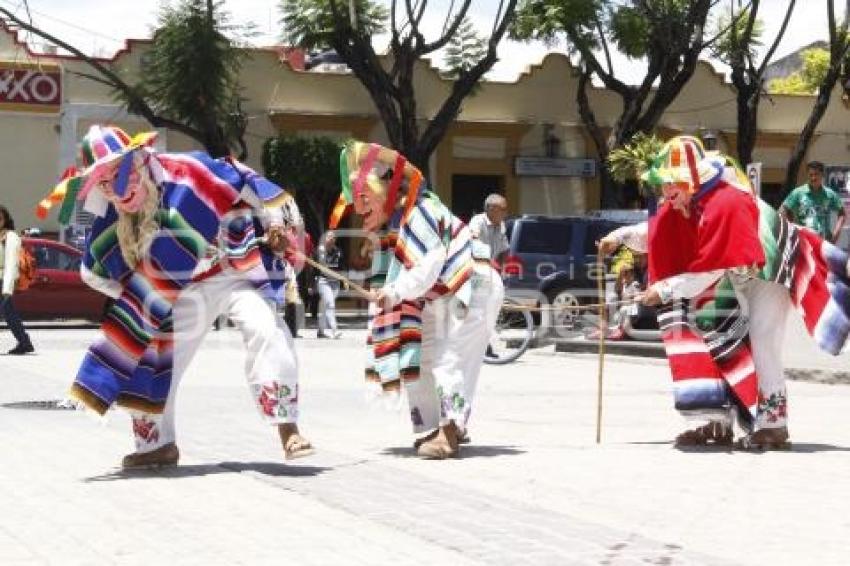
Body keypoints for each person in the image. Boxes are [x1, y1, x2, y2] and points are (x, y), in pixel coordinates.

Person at [46, 125, 312, 468]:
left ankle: (287, 429)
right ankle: (157, 446)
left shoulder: (190, 170)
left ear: (138, 159)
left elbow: (248, 180)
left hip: (233, 273)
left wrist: (276, 224)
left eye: (119, 171)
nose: (114, 186)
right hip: (183, 294)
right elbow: (92, 272)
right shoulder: (113, 214)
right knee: (147, 352)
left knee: (267, 329)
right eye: (103, 181)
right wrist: (144, 297)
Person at [598, 136, 850, 450]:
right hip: (735, 275)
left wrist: (663, 290)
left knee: (762, 343)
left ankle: (774, 425)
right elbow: (659, 231)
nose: (664, 192)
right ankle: (717, 422)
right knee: (717, 339)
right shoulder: (686, 198)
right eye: (661, 184)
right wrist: (618, 236)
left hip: (768, 274)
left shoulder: (725, 203)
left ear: (690, 177)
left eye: (669, 183)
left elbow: (711, 269)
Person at [337, 140, 503, 459]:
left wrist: (394, 291)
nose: (361, 207)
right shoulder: (400, 222)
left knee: (448, 357)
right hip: (441, 296)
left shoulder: (422, 211)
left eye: (365, 198)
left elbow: (430, 263)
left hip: (472, 287)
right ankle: (432, 425)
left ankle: (450, 431)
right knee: (423, 355)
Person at [780, 160, 845, 242]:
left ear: (822, 175)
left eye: (816, 174)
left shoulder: (830, 194)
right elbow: (783, 210)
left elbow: (842, 213)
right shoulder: (798, 193)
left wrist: (836, 234)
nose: (813, 178)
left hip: (824, 242)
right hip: (804, 241)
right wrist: (790, 229)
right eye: (811, 175)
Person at [0, 206, 34, 355]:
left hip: (3, 280)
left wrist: (7, 288)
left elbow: (11, 263)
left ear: (5, 220)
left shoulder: (10, 236)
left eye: (0, 218)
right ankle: (24, 342)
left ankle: (24, 342)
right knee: (9, 314)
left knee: (8, 312)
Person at [315, 230, 342, 339]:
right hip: (323, 281)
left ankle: (320, 331)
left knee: (325, 306)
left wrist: (344, 280)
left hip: (335, 282)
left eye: (333, 237)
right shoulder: (320, 251)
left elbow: (341, 267)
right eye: (329, 237)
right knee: (330, 303)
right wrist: (311, 284)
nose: (331, 239)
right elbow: (317, 268)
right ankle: (335, 330)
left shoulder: (338, 251)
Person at [468, 193, 509, 263]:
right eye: (503, 209)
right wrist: (489, 262)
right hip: (477, 265)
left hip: (491, 267)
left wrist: (502, 267)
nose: (506, 213)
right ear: (491, 209)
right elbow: (474, 243)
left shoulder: (501, 224)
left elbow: (504, 249)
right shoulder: (478, 221)